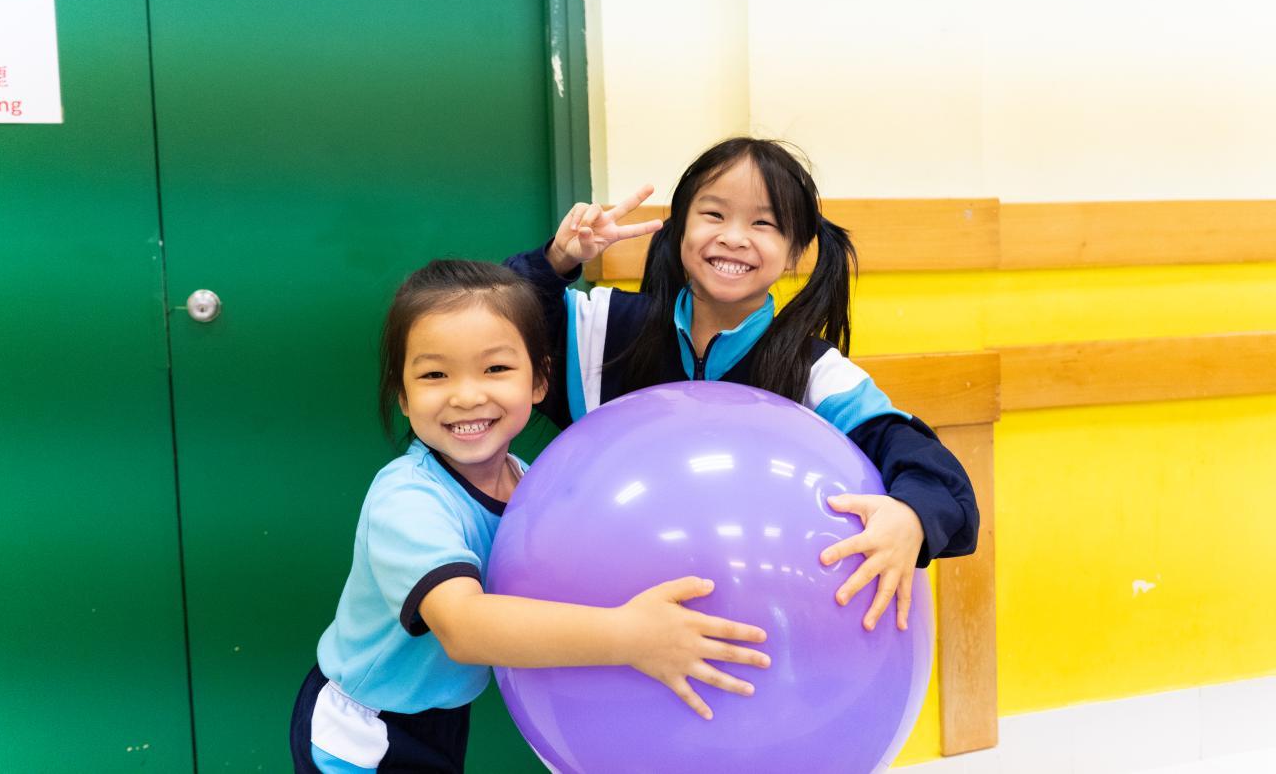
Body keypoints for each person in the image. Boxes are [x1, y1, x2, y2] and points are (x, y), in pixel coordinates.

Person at [290, 260, 769, 773]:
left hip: (437, 717)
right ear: (404, 397)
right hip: (362, 732)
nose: (466, 396)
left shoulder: (530, 482)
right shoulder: (408, 499)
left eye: (495, 369)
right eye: (434, 375)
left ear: (540, 380)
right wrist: (631, 636)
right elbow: (463, 626)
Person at [506, 137, 979, 634]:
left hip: (761, 636)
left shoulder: (815, 374)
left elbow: (933, 472)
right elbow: (488, 332)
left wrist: (910, 517)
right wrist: (556, 259)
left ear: (795, 250)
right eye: (713, 214)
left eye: (763, 223)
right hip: (604, 626)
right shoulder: (601, 329)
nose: (734, 238)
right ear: (679, 228)